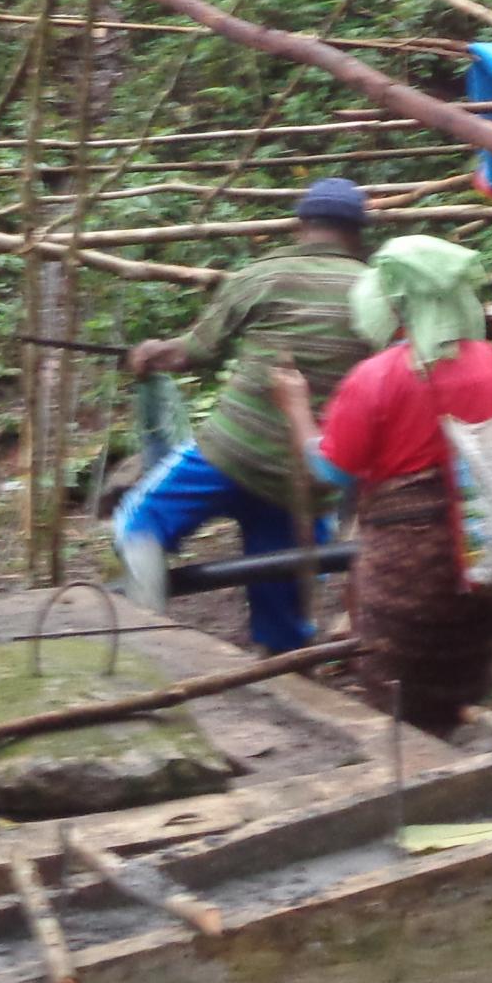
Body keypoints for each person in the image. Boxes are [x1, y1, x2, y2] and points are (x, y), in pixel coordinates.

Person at [274, 236, 492, 733]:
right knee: (462, 683)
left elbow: (329, 472)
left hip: (403, 575)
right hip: (485, 561)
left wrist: (296, 411)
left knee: (397, 698)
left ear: (392, 304)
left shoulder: (374, 377)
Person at [112, 178, 376, 653]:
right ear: (358, 233)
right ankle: (288, 675)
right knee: (282, 613)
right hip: (307, 475)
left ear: (302, 226)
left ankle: (147, 639)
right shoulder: (375, 294)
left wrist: (150, 352)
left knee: (138, 523)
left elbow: (190, 353)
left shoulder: (261, 275)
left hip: (229, 455)